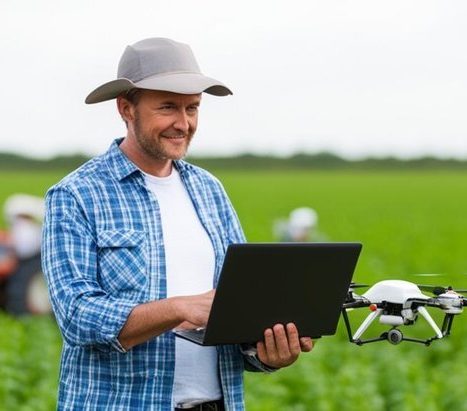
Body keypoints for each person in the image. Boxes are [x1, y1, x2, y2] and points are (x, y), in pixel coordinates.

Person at [42, 37, 314, 411]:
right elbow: (76, 315)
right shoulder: (76, 195)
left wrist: (266, 352)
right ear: (126, 108)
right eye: (168, 107)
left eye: (193, 108)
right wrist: (178, 308)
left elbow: (237, 311)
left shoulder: (210, 190)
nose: (183, 123)